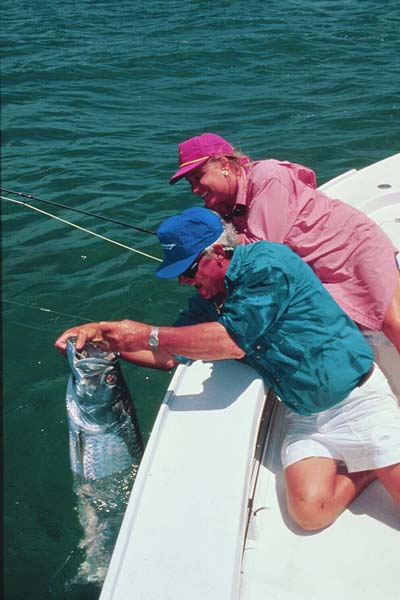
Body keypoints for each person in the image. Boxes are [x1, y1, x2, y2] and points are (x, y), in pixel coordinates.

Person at [55, 207, 400, 531]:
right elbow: (168, 356)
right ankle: (370, 466)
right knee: (309, 514)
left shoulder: (268, 264)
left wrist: (146, 333)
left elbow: (230, 341)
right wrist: (101, 340)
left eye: (188, 271)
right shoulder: (210, 301)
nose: (184, 282)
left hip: (355, 398)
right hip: (304, 413)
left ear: (217, 254)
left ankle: (376, 457)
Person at [169, 133, 400, 353]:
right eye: (190, 182)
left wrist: (211, 249)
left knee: (393, 323)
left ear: (224, 165)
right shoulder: (219, 206)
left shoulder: (268, 176)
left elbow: (264, 246)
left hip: (352, 248)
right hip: (317, 270)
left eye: (199, 177)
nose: (195, 188)